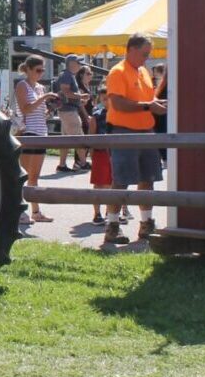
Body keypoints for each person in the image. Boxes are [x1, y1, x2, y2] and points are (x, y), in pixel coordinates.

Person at [102, 33, 167, 245]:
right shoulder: (118, 72)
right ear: (131, 49)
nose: (147, 58)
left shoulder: (143, 72)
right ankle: (112, 226)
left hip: (146, 132)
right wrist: (150, 106)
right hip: (124, 131)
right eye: (144, 54)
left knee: (147, 179)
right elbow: (118, 104)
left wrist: (158, 102)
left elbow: (147, 99)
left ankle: (146, 224)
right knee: (121, 180)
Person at [15, 55, 58, 225]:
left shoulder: (40, 88)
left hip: (41, 133)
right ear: (29, 70)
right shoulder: (22, 85)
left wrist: (51, 107)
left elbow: (39, 112)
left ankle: (36, 211)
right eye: (38, 70)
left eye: (43, 70)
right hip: (29, 134)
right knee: (23, 175)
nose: (41, 74)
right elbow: (25, 110)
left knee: (34, 176)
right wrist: (44, 98)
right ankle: (19, 210)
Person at [54, 54, 89, 172]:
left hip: (66, 110)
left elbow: (67, 93)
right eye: (78, 62)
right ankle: (83, 163)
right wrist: (81, 96)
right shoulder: (67, 75)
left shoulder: (67, 75)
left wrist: (79, 99)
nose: (80, 64)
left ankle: (62, 165)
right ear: (71, 64)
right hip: (69, 111)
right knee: (78, 137)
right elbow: (65, 92)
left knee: (66, 140)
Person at [88, 85, 113, 223]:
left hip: (114, 152)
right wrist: (91, 152)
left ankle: (110, 211)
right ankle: (97, 214)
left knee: (112, 184)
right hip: (100, 152)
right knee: (99, 184)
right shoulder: (96, 116)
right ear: (100, 99)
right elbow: (91, 135)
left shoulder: (119, 115)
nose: (107, 101)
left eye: (110, 98)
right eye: (104, 99)